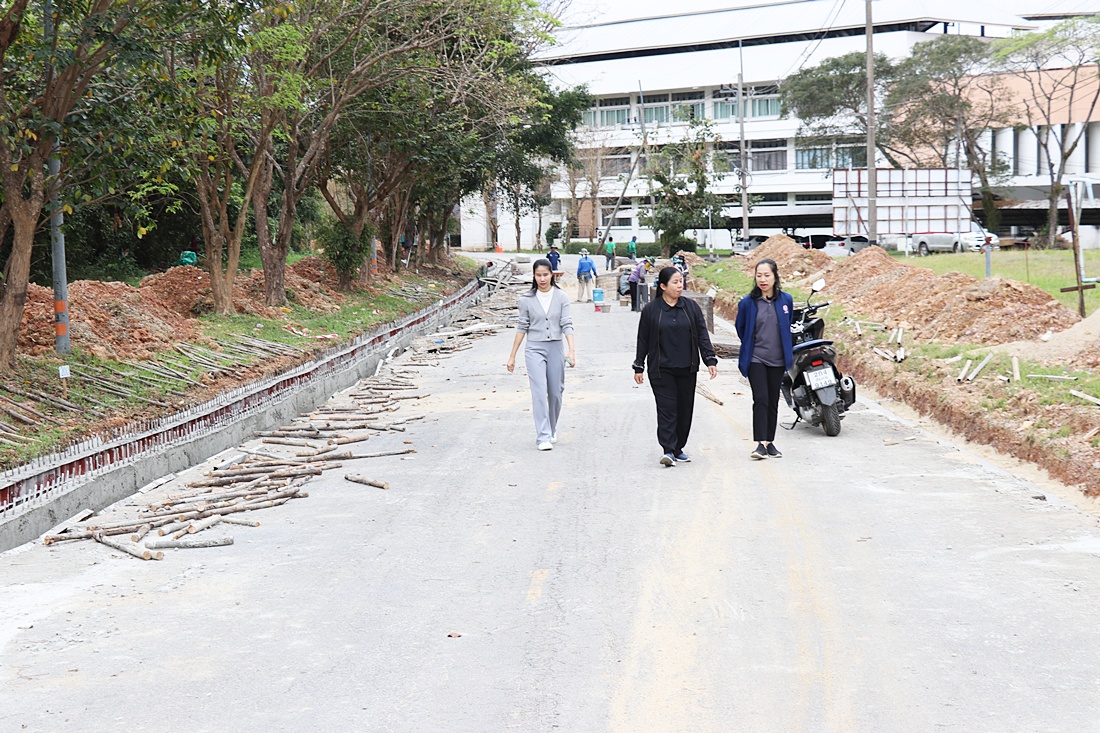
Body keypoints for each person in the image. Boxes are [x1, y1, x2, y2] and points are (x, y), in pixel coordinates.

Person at [633, 267, 718, 467]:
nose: (680, 285)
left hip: (687, 368)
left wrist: (710, 359)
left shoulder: (691, 308)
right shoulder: (651, 310)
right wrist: (639, 365)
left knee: (684, 410)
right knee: (667, 409)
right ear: (663, 286)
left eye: (681, 281)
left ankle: (678, 448)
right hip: (661, 369)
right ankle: (668, 450)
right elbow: (643, 339)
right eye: (675, 282)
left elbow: (702, 334)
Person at [507, 259, 577, 451]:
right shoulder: (526, 299)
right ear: (534, 276)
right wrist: (512, 356)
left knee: (555, 392)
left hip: (556, 348)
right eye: (538, 275)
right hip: (534, 349)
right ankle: (543, 436)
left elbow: (567, 323)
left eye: (545, 274)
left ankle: (552, 428)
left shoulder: (561, 297)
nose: (542, 279)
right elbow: (522, 327)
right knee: (538, 392)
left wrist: (571, 350)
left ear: (552, 275)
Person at [735, 258, 794, 460]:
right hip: (756, 358)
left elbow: (787, 324)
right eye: (759, 275)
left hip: (778, 359)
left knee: (773, 400)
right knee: (760, 398)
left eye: (767, 275)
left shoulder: (786, 300)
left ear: (775, 276)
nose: (763, 279)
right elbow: (741, 328)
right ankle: (760, 443)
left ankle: (770, 442)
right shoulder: (747, 303)